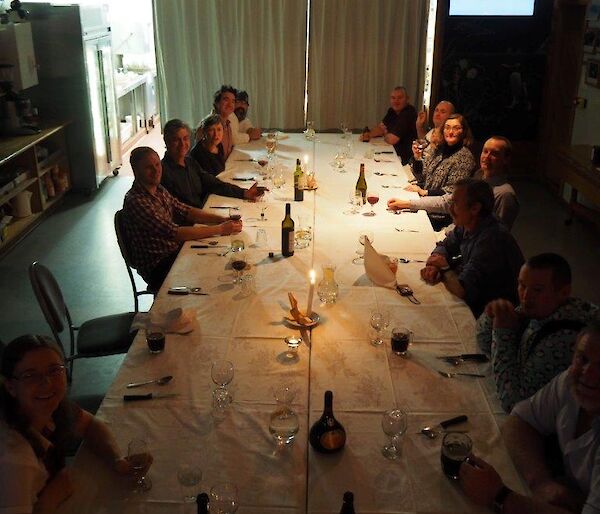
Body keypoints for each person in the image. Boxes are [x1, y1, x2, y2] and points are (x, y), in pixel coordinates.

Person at [0, 335, 152, 514]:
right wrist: (48, 502)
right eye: (30, 376)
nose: (46, 383)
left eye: (54, 370)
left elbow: (90, 425)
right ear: (10, 387)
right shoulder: (14, 459)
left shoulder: (50, 408)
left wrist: (115, 460)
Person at [459, 321, 600, 514]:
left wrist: (500, 496)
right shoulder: (570, 381)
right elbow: (519, 420)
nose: (589, 374)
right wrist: (541, 483)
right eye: (583, 359)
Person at [477, 253, 599, 412]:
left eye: (537, 290)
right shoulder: (541, 309)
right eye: (522, 285)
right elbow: (484, 343)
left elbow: (514, 404)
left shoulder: (564, 338)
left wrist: (503, 333)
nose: (526, 296)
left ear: (564, 292)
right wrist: (492, 316)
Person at [123, 146, 242, 291]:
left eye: (157, 164)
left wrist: (220, 219)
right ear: (136, 171)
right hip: (159, 265)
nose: (156, 170)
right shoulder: (137, 201)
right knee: (217, 268)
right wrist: (221, 229)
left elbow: (186, 211)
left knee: (222, 259)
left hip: (174, 251)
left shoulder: (158, 189)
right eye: (149, 167)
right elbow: (175, 233)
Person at [420, 178, 524, 318]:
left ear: (475, 208)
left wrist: (444, 268)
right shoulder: (467, 224)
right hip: (478, 300)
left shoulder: (490, 239)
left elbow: (463, 290)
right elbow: (445, 245)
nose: (450, 209)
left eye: (455, 203)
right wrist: (435, 265)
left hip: (496, 315)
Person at [387, 135, 519, 230]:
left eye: (494, 154)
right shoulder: (480, 176)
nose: (487, 157)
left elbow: (495, 240)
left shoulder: (504, 194)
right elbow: (449, 201)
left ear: (506, 159)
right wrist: (408, 204)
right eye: (485, 151)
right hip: (454, 234)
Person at [160, 118, 266, 208]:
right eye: (176, 140)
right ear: (166, 141)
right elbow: (181, 210)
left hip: (204, 211)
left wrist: (244, 193)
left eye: (185, 138)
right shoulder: (163, 171)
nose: (182, 144)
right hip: (191, 224)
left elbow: (213, 184)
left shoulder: (189, 162)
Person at [359, 86, 417, 164]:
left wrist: (385, 133)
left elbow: (392, 140)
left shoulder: (409, 113)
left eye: (399, 98)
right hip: (392, 152)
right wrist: (369, 134)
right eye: (393, 98)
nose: (396, 101)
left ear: (407, 99)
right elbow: (380, 128)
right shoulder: (392, 111)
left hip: (405, 159)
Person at [212, 85, 237, 159]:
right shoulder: (209, 126)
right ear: (217, 103)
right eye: (226, 100)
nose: (230, 104)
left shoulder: (227, 124)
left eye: (233, 101)